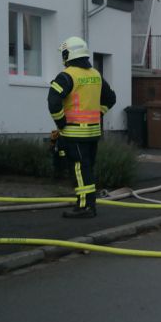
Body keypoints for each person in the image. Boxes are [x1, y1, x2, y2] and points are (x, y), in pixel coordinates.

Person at [47, 36, 117, 218]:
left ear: (68, 55)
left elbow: (53, 102)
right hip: (93, 133)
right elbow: (111, 98)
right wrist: (99, 114)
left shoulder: (66, 76)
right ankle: (87, 204)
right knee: (87, 169)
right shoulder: (95, 74)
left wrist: (61, 122)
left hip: (74, 133)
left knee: (79, 169)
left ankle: (85, 207)